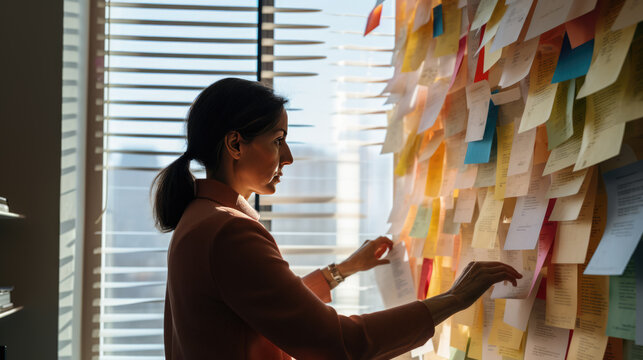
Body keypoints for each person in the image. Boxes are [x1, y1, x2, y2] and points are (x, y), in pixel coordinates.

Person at [153, 78, 522, 360]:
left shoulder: (202, 217)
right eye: (278, 140)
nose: (289, 157)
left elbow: (270, 307)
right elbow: (339, 343)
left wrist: (343, 269)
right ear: (235, 145)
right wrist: (454, 298)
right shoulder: (228, 230)